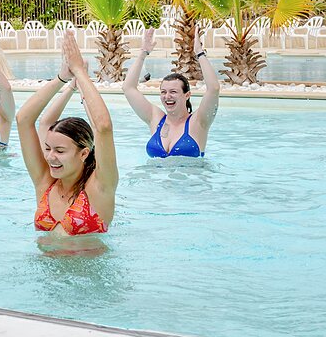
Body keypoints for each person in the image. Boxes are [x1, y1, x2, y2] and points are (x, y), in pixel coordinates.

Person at [16, 33, 116, 236]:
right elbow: (23, 120)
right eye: (48, 148)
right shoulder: (44, 182)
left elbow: (103, 126)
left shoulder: (100, 187)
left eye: (60, 150)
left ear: (83, 153)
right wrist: (62, 78)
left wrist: (80, 72)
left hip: (87, 268)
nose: (50, 157)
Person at [123, 27, 220, 158]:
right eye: (163, 92)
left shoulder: (198, 122)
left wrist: (199, 53)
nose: (167, 96)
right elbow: (128, 88)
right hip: (155, 178)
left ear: (187, 95)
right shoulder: (155, 118)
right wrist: (143, 52)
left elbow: (213, 89)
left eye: (173, 92)